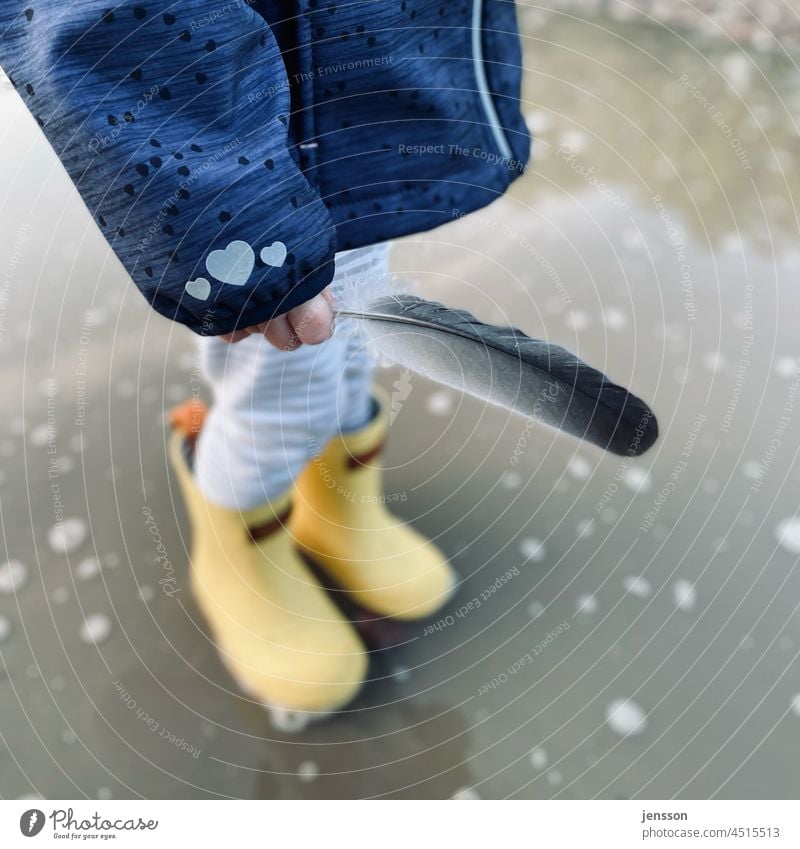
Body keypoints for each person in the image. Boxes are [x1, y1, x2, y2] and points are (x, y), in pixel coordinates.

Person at [0, 1, 530, 716]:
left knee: (350, 345)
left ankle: (336, 507)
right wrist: (235, 215)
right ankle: (240, 542)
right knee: (285, 389)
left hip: (364, 107)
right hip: (261, 151)